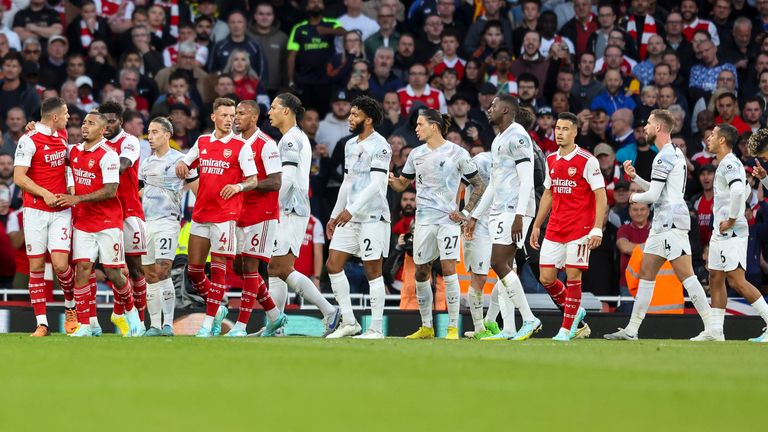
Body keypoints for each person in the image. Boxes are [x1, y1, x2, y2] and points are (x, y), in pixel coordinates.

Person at [605, 110, 714, 341]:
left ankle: (712, 328)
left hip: (670, 222)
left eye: (649, 124)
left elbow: (654, 195)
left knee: (687, 276)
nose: (644, 128)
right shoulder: (673, 153)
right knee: (646, 274)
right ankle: (632, 330)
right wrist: (635, 179)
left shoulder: (663, 157)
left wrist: (631, 198)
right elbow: (660, 191)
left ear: (659, 128)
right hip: (665, 222)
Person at [388, 109, 485, 340]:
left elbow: (479, 185)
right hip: (423, 221)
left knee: (449, 268)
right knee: (421, 271)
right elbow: (403, 184)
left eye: (420, 124)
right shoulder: (416, 155)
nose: (416, 128)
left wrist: (465, 212)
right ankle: (427, 326)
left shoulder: (458, 153)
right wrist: (392, 181)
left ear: (434, 126)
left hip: (448, 221)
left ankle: (452, 327)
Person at [174, 98, 259, 338]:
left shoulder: (241, 146)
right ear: (213, 117)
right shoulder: (202, 142)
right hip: (201, 213)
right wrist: (182, 163)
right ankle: (218, 306)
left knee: (219, 268)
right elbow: (186, 161)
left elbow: (253, 179)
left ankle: (208, 321)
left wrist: (239, 187)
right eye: (224, 115)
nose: (229, 120)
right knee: (194, 270)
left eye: (232, 115)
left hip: (225, 215)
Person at [59, 110, 141, 337]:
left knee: (114, 273)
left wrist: (78, 198)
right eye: (84, 122)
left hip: (107, 222)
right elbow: (54, 151)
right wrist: (35, 130)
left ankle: (131, 314)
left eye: (91, 123)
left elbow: (110, 190)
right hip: (84, 222)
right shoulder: (74, 151)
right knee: (82, 270)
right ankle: (88, 324)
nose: (84, 126)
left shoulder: (108, 155)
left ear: (103, 130)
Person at [266, 93, 341, 336]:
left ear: (286, 111)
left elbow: (286, 178)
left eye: (274, 107)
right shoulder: (295, 137)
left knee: (281, 267)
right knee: (274, 268)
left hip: (289, 209)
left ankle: (329, 310)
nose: (270, 112)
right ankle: (274, 326)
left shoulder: (290, 140)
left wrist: (272, 206)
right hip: (291, 208)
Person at [464, 95, 538, 340]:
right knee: (506, 267)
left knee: (499, 262)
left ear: (506, 110)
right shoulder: (498, 140)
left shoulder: (518, 136)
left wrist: (519, 214)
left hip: (515, 210)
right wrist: (474, 216)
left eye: (494, 106)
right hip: (499, 208)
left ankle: (529, 319)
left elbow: (527, 179)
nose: (489, 109)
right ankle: (508, 327)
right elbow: (494, 184)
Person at [529, 112, 607, 341]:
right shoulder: (551, 159)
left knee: (573, 276)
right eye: (557, 128)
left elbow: (600, 195)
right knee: (546, 278)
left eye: (565, 129)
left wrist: (597, 228)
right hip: (554, 228)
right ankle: (575, 311)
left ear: (575, 132)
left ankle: (567, 328)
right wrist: (536, 225)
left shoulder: (587, 160)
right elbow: (548, 193)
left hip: (580, 229)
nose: (559, 133)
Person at [325, 96, 391, 339]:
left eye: (355, 115)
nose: (349, 119)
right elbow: (348, 181)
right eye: (350, 114)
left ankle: (375, 328)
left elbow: (377, 184)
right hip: (349, 216)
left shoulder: (381, 146)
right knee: (333, 265)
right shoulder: (350, 145)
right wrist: (334, 215)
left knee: (373, 270)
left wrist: (350, 210)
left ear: (369, 119)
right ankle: (350, 322)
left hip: (373, 216)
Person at [12, 97, 77, 336]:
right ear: (55, 117)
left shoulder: (62, 135)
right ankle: (42, 323)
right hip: (35, 211)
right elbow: (19, 177)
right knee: (37, 265)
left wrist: (69, 187)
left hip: (60, 210)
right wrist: (45, 194)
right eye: (67, 113)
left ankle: (71, 306)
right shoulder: (28, 140)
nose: (69, 117)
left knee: (61, 265)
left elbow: (65, 167)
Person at [225, 100, 287, 338]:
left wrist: (244, 186)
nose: (235, 118)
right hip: (239, 213)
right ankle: (274, 315)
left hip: (263, 213)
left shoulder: (266, 145)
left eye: (240, 114)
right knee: (239, 267)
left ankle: (241, 325)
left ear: (253, 117)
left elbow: (275, 181)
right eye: (234, 114)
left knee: (251, 266)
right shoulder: (234, 144)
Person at [706, 125, 768, 342]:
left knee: (736, 280)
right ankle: (715, 331)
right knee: (715, 276)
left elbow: (740, 191)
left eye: (713, 135)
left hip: (731, 230)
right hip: (721, 231)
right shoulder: (727, 164)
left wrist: (732, 219)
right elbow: (747, 191)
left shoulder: (730, 163)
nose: (709, 138)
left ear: (722, 140)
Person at [139, 117, 199, 337]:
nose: (150, 137)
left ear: (167, 135)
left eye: (155, 132)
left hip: (168, 221)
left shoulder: (181, 161)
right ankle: (155, 325)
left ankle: (169, 324)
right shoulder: (145, 163)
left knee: (163, 269)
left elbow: (197, 190)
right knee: (149, 274)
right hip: (146, 223)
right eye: (149, 132)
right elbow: (142, 191)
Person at [98, 101, 148, 334]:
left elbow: (124, 165)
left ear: (120, 121)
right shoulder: (95, 143)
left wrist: (92, 166)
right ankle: (120, 313)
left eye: (111, 121)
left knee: (135, 269)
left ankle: (139, 319)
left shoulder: (129, 141)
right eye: (103, 120)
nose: (107, 125)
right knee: (113, 269)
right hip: (104, 213)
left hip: (129, 211)